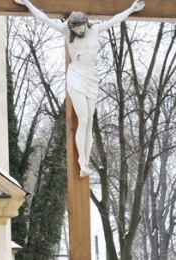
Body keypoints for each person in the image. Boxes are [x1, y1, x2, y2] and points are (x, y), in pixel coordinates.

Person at [14, 0, 145, 177]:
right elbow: (44, 19)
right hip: (76, 77)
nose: (79, 32)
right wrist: (28, 4)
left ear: (86, 23)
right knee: (82, 120)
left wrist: (131, 9)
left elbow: (116, 19)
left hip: (92, 79)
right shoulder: (66, 30)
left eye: (80, 28)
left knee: (90, 121)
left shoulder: (95, 29)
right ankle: (81, 160)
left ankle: (86, 161)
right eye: (75, 29)